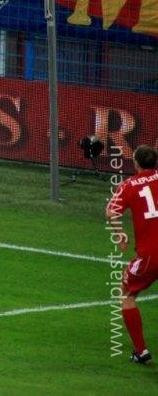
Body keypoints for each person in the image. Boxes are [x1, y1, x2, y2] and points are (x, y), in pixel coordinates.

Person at [106, 144, 158, 364]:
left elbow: (111, 212)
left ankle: (141, 351)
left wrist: (120, 234)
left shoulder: (128, 185)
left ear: (136, 162)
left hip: (150, 255)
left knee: (127, 294)